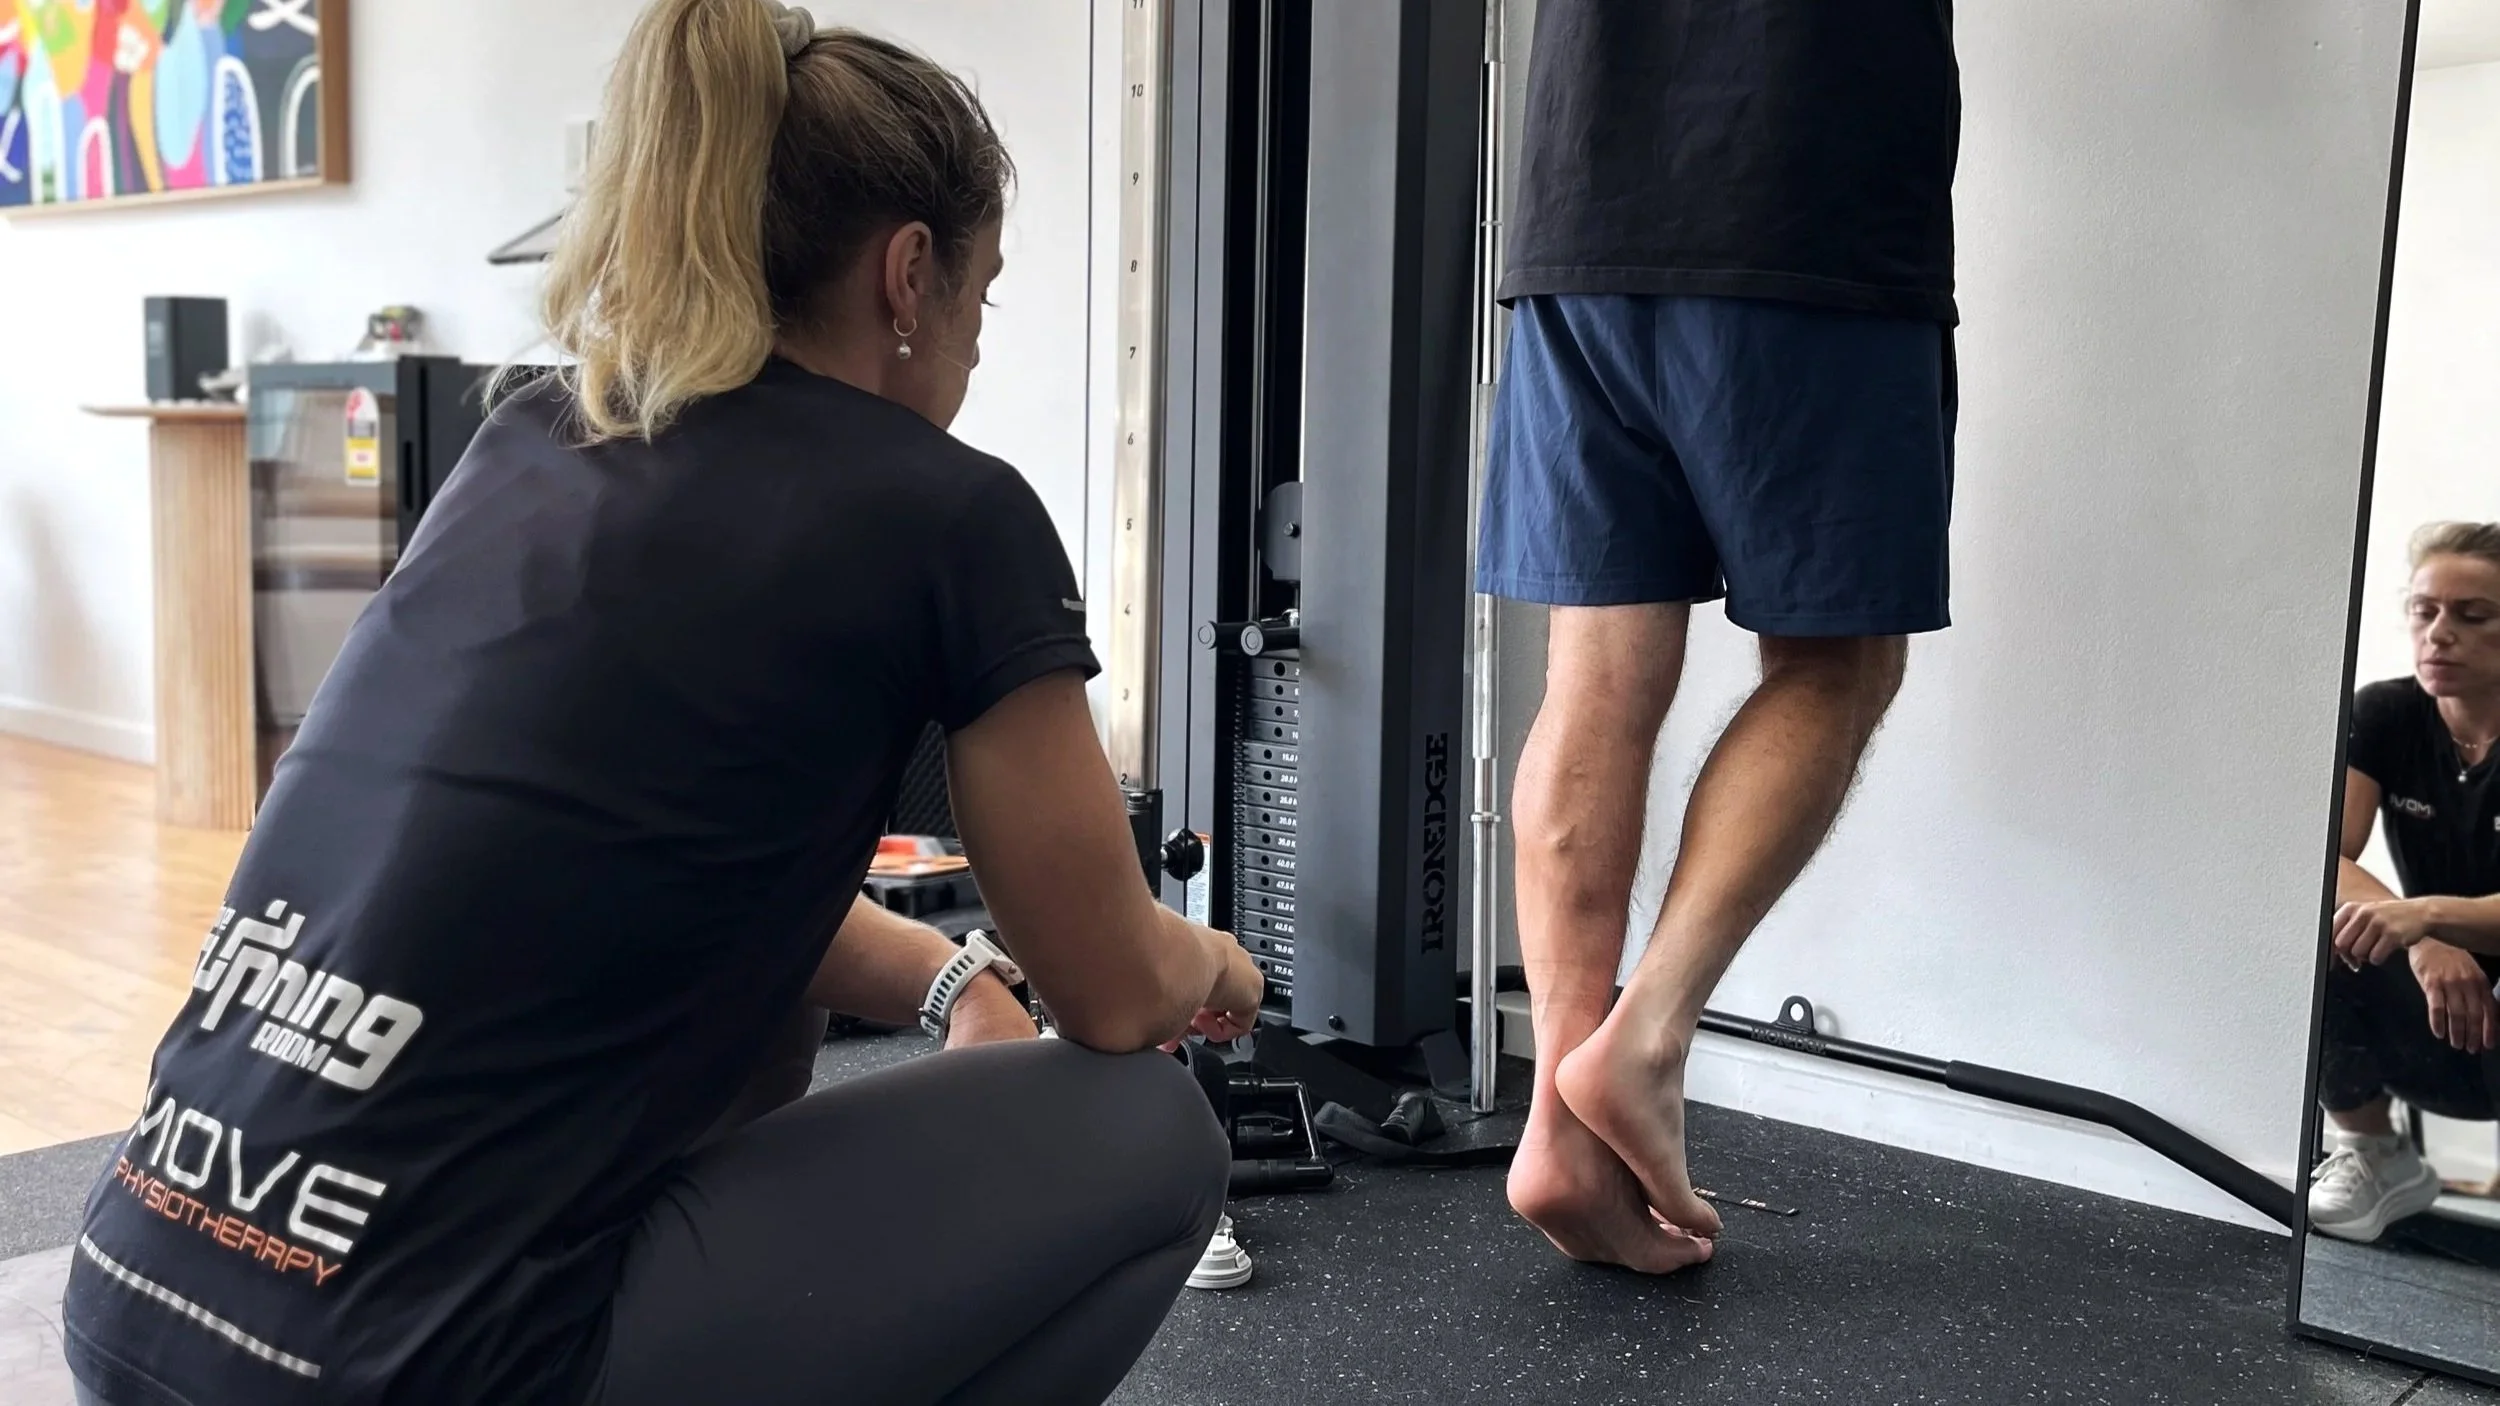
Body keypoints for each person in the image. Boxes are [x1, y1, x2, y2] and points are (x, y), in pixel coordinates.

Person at [61, 4, 1264, 1403]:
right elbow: (1114, 989)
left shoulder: (535, 438)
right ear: (909, 275)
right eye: (982, 302)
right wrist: (1221, 968)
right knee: (1151, 1127)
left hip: (140, 1294)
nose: (977, 350)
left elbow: (656, 863)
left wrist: (946, 975)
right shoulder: (947, 513)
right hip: (420, 1372)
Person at [1479, 1, 1961, 1273]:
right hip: (1806, 209)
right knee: (1835, 662)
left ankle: (1558, 1135)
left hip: (1579, 216)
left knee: (1592, 673)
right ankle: (1642, 1041)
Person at [2313, 522, 2500, 1242]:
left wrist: (2426, 916)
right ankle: (2372, 1152)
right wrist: (2418, 937)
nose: (2439, 633)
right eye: (2425, 611)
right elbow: (2327, 857)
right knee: (2322, 925)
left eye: (2472, 615)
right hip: (2427, 1021)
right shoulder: (2388, 713)